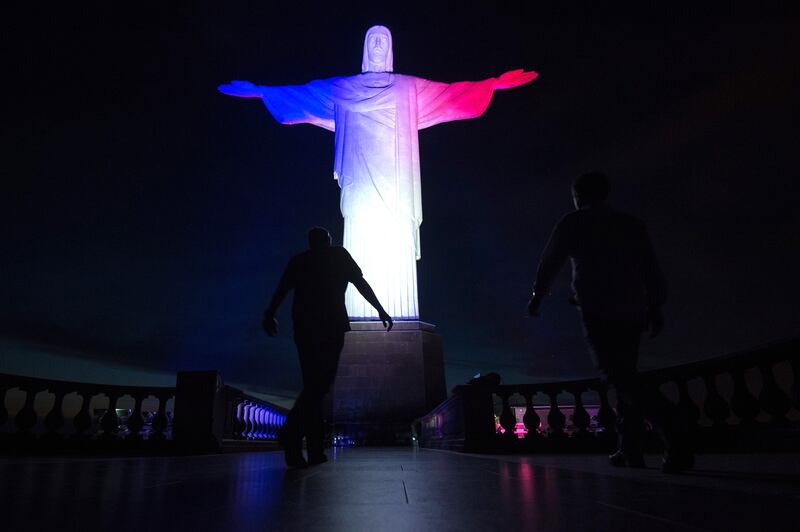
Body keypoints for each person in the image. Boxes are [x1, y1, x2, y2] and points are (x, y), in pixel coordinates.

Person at [219, 25, 537, 320]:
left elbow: (450, 94)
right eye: (372, 40)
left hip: (397, 182)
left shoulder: (408, 87)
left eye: (383, 41)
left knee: (393, 240)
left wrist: (493, 84)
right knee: (361, 236)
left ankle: (398, 313)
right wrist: (262, 91)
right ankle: (362, 314)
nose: (377, 46)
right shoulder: (344, 88)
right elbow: (303, 95)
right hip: (359, 181)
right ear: (363, 47)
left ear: (391, 49)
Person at [527, 171, 693, 473]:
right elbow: (650, 267)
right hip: (633, 310)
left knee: (617, 375)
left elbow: (551, 260)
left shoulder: (574, 222)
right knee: (625, 373)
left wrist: (538, 295)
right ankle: (629, 448)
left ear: (578, 195)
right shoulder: (630, 224)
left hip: (598, 309)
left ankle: (672, 428)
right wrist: (655, 306)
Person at [263, 227, 393, 468]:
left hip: (303, 327)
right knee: (319, 385)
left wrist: (270, 313)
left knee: (314, 385)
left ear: (311, 242)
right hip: (331, 326)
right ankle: (292, 433)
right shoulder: (338, 255)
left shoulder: (299, 260)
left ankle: (312, 450)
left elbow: (281, 289)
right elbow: (360, 283)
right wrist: (380, 309)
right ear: (328, 241)